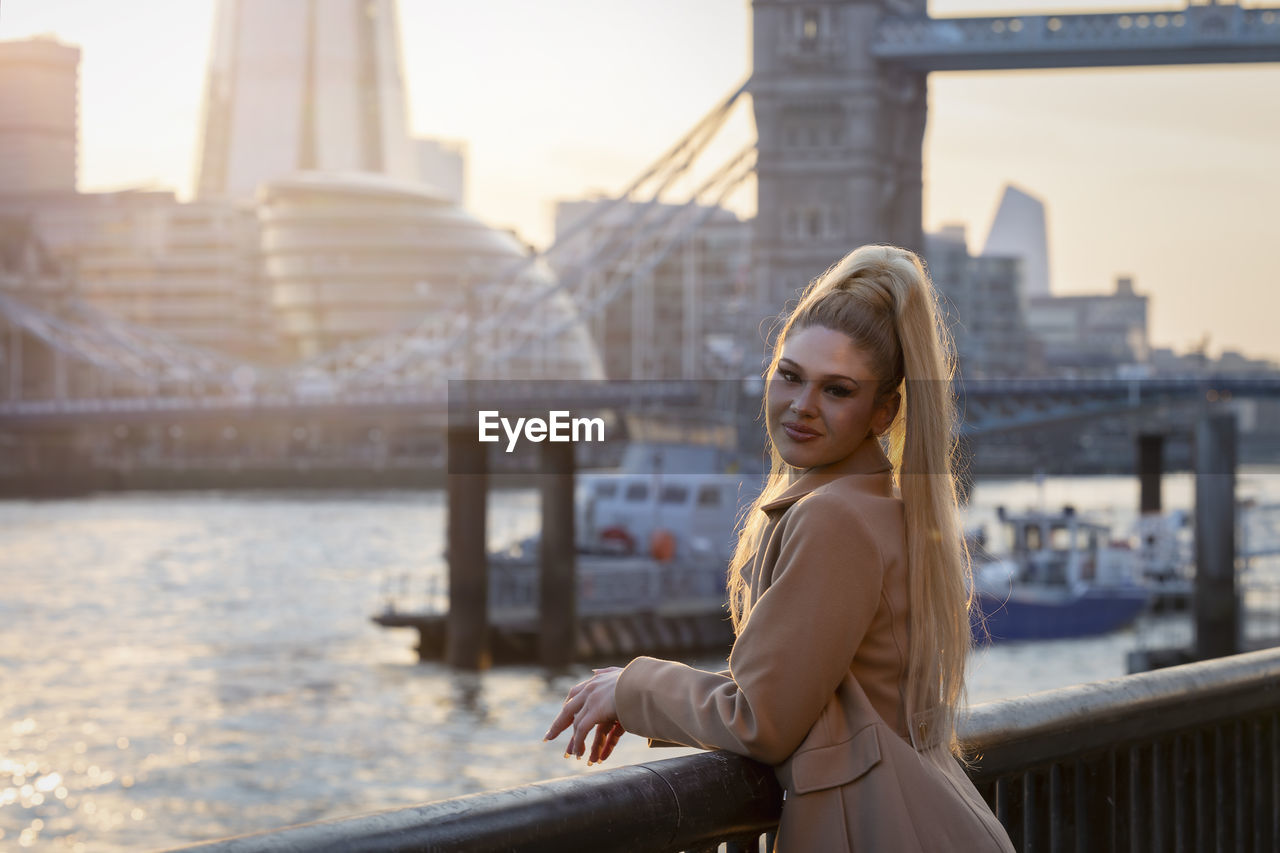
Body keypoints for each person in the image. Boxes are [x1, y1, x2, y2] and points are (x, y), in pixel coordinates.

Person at [544, 245, 1015, 851]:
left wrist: (630, 689)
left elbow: (763, 720)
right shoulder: (879, 505)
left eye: (837, 390)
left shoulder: (833, 519)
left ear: (883, 412)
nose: (801, 406)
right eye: (789, 376)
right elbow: (795, 687)